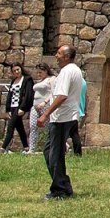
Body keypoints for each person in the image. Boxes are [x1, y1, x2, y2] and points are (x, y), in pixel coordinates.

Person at [36, 46, 84, 199]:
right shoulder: (75, 70)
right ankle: (64, 186)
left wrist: (45, 115)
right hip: (67, 117)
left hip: (62, 118)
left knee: (54, 154)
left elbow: (62, 96)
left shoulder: (66, 71)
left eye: (59, 53)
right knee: (50, 152)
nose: (56, 56)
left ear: (67, 56)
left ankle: (60, 190)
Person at [0, 63, 34, 152]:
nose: (16, 72)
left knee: (10, 127)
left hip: (19, 107)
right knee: (19, 127)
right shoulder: (14, 81)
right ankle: (26, 147)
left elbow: (28, 94)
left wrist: (23, 108)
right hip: (13, 107)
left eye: (17, 69)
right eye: (14, 71)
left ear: (21, 69)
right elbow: (10, 95)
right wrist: (8, 109)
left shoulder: (27, 79)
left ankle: (2, 148)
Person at [27, 63, 55, 156]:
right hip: (35, 107)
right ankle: (32, 149)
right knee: (33, 126)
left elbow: (53, 93)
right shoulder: (40, 81)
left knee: (48, 128)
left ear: (46, 71)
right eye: (37, 73)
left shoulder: (51, 79)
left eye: (40, 72)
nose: (38, 74)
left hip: (45, 107)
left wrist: (45, 102)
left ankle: (60, 146)